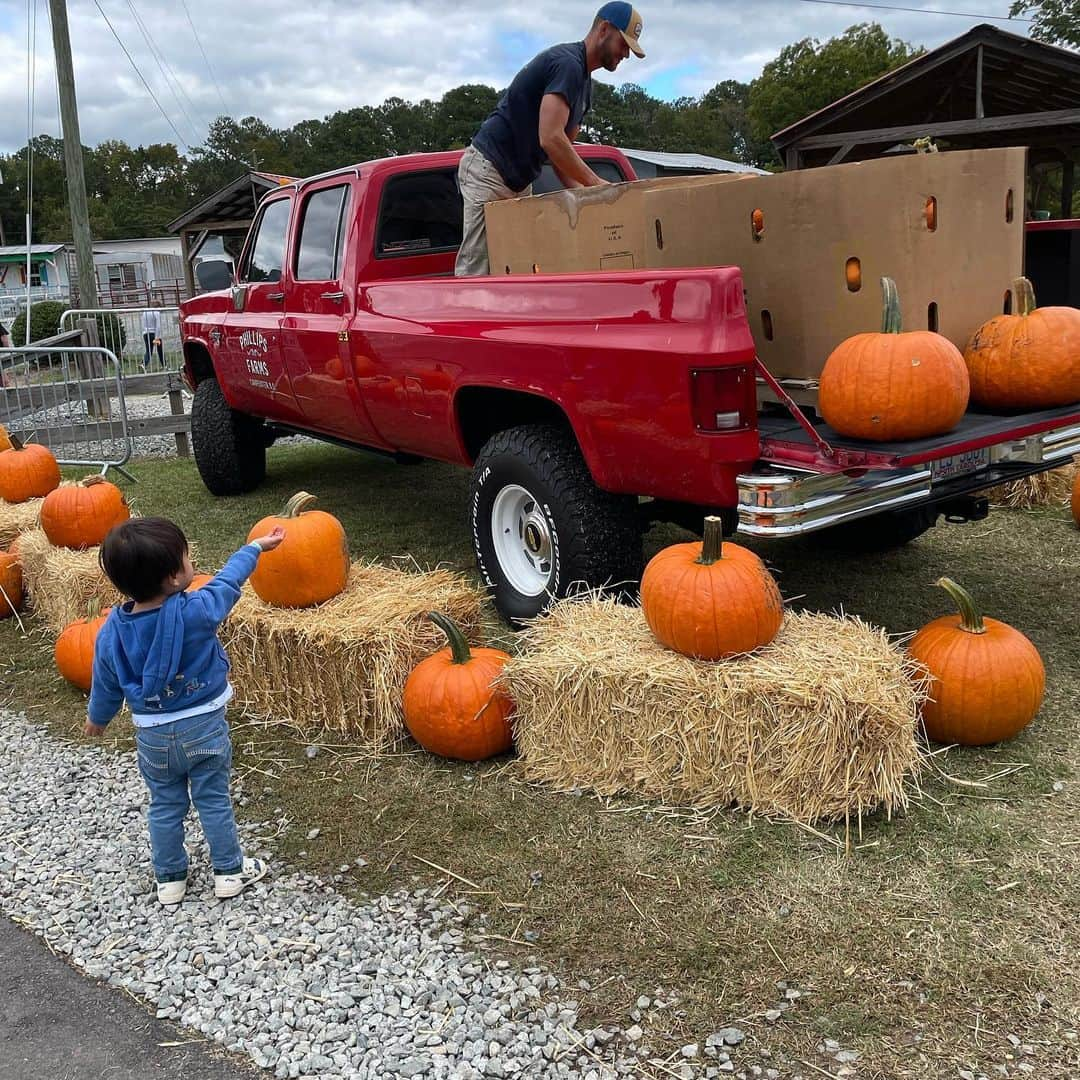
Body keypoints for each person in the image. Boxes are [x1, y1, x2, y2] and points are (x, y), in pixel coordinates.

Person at [84, 517, 286, 905]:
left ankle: (170, 880)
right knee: (212, 799)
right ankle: (229, 872)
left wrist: (99, 717)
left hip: (153, 738)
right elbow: (227, 582)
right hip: (204, 728)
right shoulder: (196, 611)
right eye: (188, 556)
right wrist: (254, 549)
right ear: (176, 577)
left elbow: (105, 679)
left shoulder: (112, 630)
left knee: (164, 804)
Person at [455, 1, 645, 276]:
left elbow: (560, 153)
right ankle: (466, 317)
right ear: (604, 29)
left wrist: (584, 197)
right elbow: (550, 138)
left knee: (516, 266)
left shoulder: (584, 87)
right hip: (489, 170)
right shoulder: (567, 64)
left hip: (519, 181)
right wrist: (596, 184)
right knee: (478, 269)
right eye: (624, 44)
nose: (626, 54)